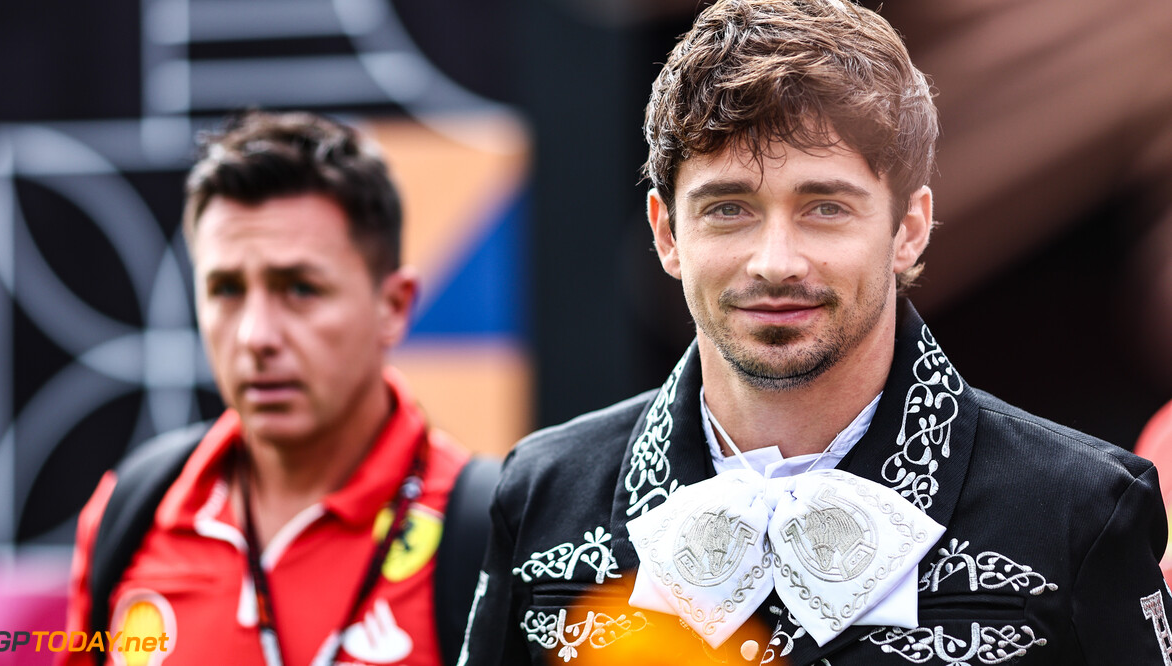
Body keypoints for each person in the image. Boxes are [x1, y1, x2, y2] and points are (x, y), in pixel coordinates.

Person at [460, 1, 1172, 664]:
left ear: (909, 230)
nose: (776, 263)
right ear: (666, 233)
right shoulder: (540, 496)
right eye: (728, 209)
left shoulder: (1084, 509)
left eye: (825, 208)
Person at [62, 110, 490, 666]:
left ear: (393, 306)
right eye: (226, 289)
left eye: (300, 289)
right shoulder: (131, 511)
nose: (255, 335)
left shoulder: (486, 531)